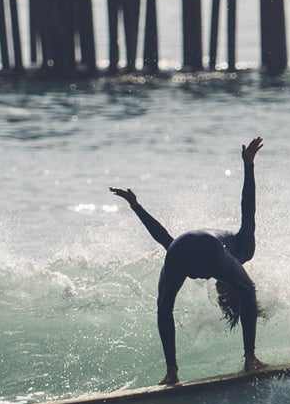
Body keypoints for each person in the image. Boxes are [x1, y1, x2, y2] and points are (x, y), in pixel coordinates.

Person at [109, 137, 265, 386]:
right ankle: (250, 358)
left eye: (221, 297)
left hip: (178, 249)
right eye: (227, 295)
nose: (221, 291)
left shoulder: (216, 265)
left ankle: (172, 373)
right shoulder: (243, 250)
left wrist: (136, 207)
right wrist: (249, 167)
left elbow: (164, 239)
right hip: (204, 246)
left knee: (163, 307)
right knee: (250, 290)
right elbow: (248, 210)